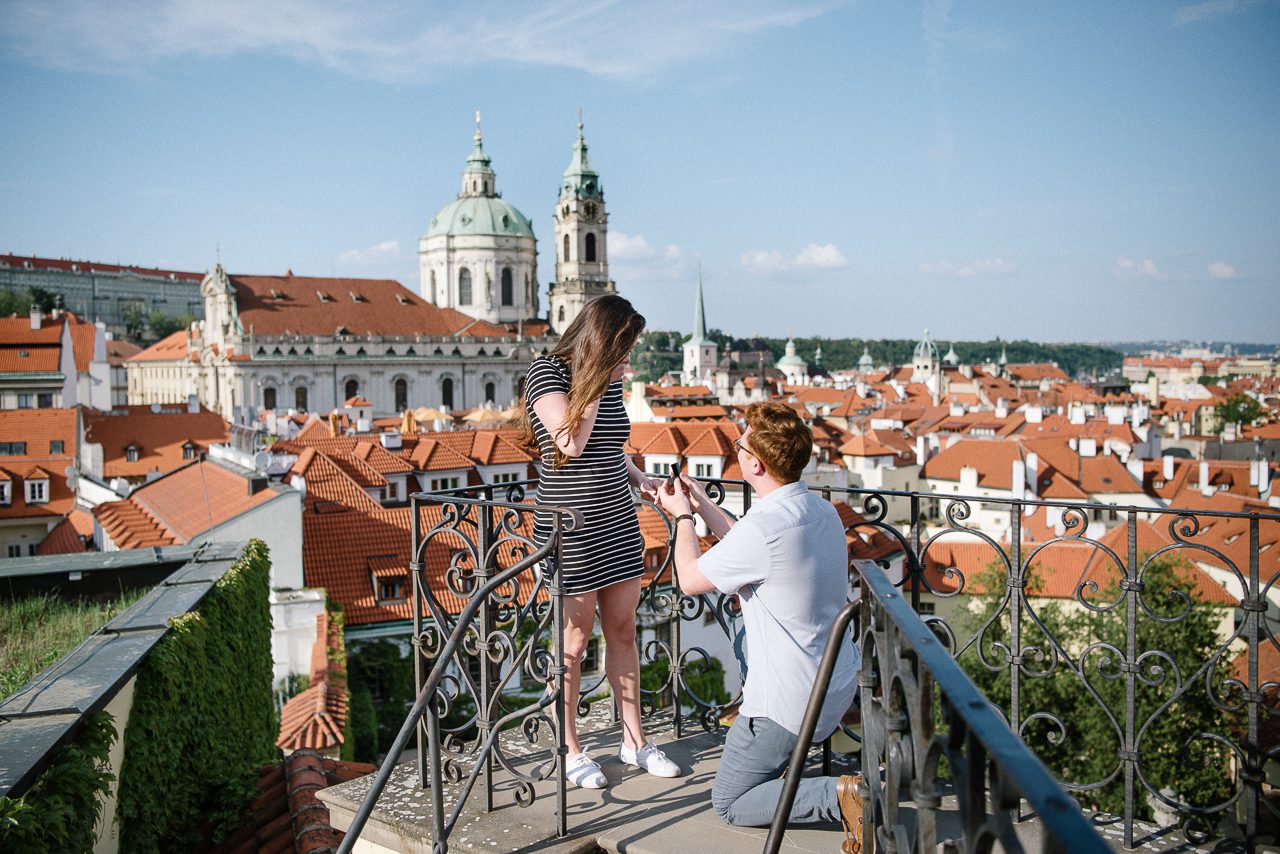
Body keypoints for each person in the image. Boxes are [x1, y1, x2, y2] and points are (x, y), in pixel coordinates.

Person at [654, 401, 863, 853]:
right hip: (836, 683)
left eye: (740, 445)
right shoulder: (820, 511)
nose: (737, 450)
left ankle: (846, 796)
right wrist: (705, 504)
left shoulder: (765, 527)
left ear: (754, 463)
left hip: (786, 707)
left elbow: (690, 580)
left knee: (730, 802)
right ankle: (800, 774)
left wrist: (682, 518)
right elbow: (751, 544)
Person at [522, 294, 682, 789]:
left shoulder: (608, 384)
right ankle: (569, 747)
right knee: (572, 643)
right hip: (570, 528)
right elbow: (570, 443)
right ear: (601, 343)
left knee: (624, 630)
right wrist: (595, 379)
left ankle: (634, 741)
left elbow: (609, 446)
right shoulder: (546, 374)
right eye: (624, 348)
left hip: (616, 520)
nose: (629, 360)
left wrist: (640, 478)